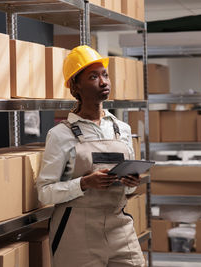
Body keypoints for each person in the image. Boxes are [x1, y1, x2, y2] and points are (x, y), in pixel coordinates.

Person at [36, 45, 146, 267]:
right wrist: (84, 183)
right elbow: (45, 193)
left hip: (119, 226)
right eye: (93, 76)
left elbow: (129, 190)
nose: (103, 82)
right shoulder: (60, 134)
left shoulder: (122, 129)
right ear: (76, 85)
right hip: (77, 232)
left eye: (105, 74)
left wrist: (131, 183)